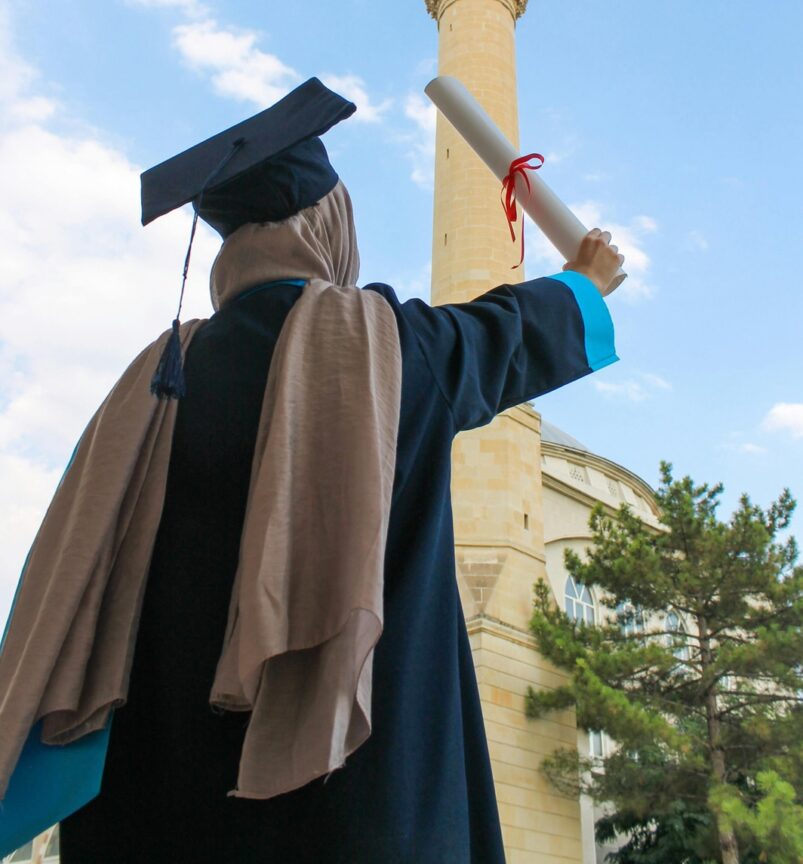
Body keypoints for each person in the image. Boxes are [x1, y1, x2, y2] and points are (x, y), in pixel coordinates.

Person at [0, 79, 624, 864]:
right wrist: (584, 277)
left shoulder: (153, 387)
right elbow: (510, 329)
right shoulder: (390, 353)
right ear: (328, 225)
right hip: (359, 805)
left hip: (155, 804)